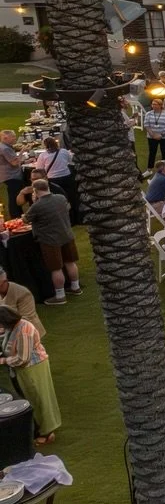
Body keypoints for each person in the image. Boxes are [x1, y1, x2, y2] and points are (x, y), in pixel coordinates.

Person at [0, 305, 58, 444]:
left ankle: (47, 432)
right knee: (28, 398)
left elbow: (23, 358)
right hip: (20, 369)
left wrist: (3, 360)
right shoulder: (13, 327)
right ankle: (37, 429)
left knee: (39, 399)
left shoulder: (24, 330)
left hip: (32, 368)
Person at [24, 180, 80, 304]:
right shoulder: (60, 198)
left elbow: (26, 220)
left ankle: (60, 296)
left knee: (56, 268)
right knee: (70, 262)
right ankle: (75, 287)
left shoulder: (37, 206)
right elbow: (67, 207)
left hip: (50, 240)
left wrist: (34, 202)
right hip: (67, 235)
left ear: (35, 191)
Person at [0, 268, 42, 338]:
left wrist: (3, 327)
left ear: (5, 281)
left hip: (27, 334)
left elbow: (27, 319)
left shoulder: (23, 294)